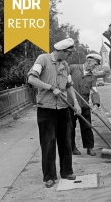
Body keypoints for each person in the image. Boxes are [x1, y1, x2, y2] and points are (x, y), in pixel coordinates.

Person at [27, 38, 81, 188]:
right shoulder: (42, 59)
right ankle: (49, 176)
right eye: (68, 54)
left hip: (63, 108)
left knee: (66, 142)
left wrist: (76, 103)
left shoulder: (65, 65)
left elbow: (69, 85)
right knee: (48, 142)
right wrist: (51, 87)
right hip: (46, 109)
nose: (69, 57)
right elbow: (31, 79)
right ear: (62, 51)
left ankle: (67, 171)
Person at [68, 53, 101, 156]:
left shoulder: (92, 77)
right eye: (95, 65)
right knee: (70, 127)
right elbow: (63, 77)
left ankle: (89, 148)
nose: (95, 67)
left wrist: (95, 105)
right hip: (70, 104)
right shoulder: (73, 68)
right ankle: (72, 148)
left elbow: (95, 91)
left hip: (84, 104)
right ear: (89, 61)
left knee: (87, 126)